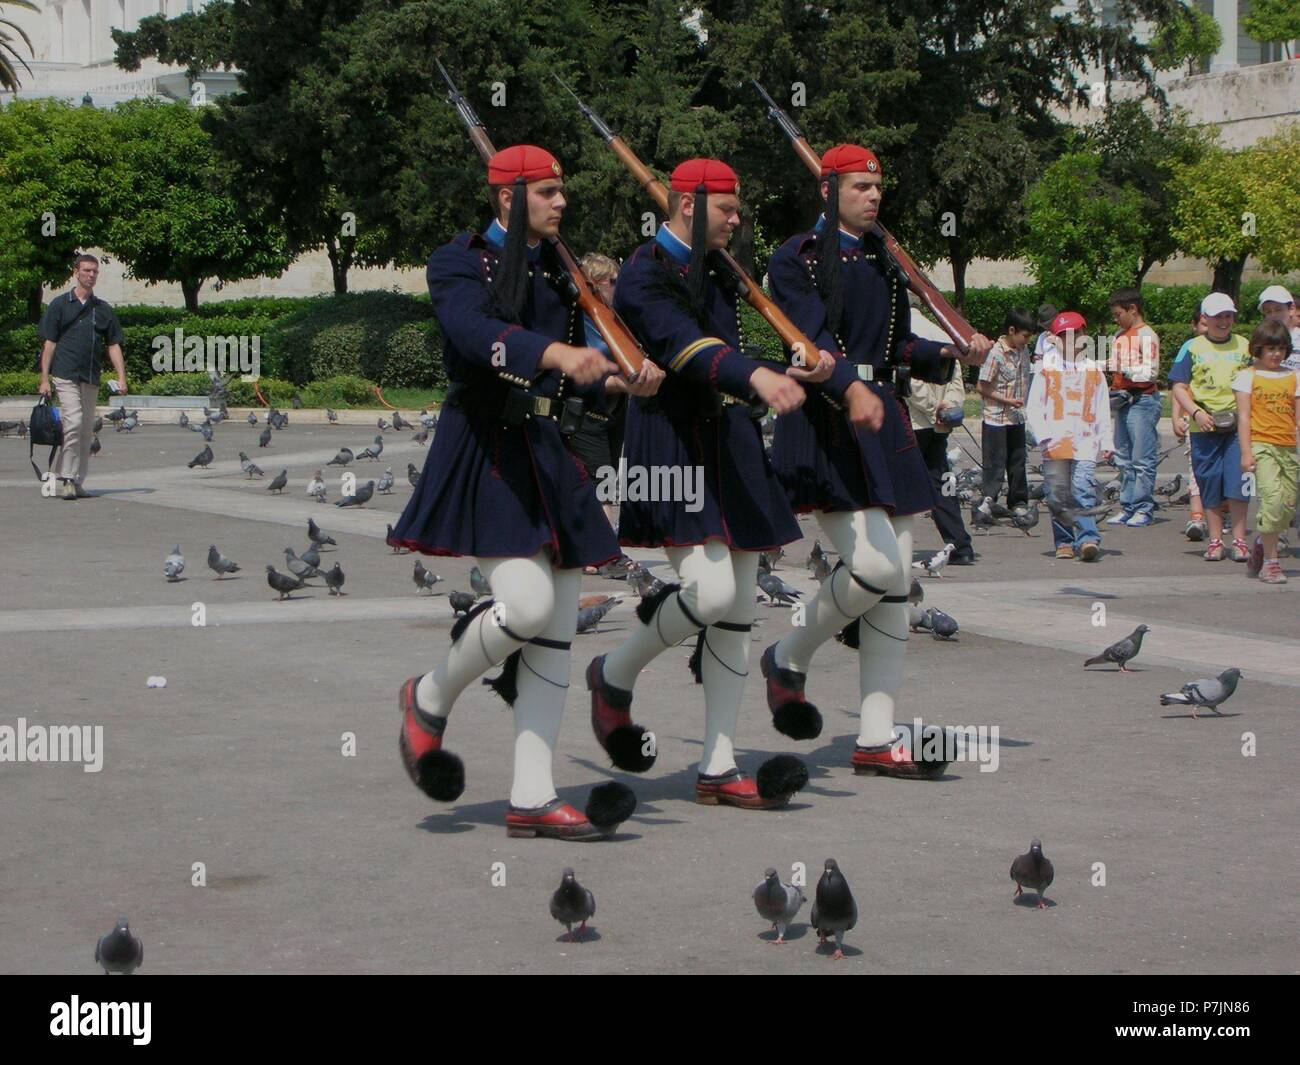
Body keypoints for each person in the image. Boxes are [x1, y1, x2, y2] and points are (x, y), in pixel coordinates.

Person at [388, 144, 660, 841]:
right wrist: (555, 354)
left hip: (548, 449)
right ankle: (428, 695)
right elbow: (475, 336)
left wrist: (615, 376)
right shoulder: (458, 261)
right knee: (528, 603)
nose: (561, 202)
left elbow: (572, 370)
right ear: (508, 197)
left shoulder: (559, 268)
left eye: (561, 191)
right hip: (485, 445)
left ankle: (533, 796)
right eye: (546, 192)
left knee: (558, 627)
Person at [587, 157, 826, 808]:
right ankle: (613, 671)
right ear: (688, 205)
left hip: (730, 442)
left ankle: (718, 765)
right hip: (668, 443)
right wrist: (754, 376)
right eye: (727, 207)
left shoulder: (721, 266)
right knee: (711, 590)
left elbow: (730, 344)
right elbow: (685, 345)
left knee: (739, 608)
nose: (738, 217)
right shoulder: (641, 272)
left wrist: (793, 362)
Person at [763, 143, 992, 778]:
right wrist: (851, 387)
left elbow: (895, 344)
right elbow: (813, 340)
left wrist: (954, 352)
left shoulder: (882, 259)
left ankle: (876, 735)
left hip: (881, 414)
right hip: (828, 416)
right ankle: (787, 652)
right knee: (870, 566)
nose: (873, 196)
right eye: (861, 186)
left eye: (878, 187)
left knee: (895, 581)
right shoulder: (796, 259)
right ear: (827, 190)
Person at [565, 251, 640, 571]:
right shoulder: (576, 324)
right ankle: (606, 552)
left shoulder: (614, 320)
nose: (618, 288)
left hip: (613, 411)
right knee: (601, 480)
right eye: (612, 282)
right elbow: (578, 377)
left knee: (600, 481)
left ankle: (590, 551)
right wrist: (621, 384)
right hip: (586, 412)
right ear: (594, 285)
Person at [1168, 292, 1253, 562]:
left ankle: (1239, 540)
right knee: (1210, 482)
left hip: (1237, 425)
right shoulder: (1192, 347)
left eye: (1228, 316)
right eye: (1218, 316)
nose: (1224, 321)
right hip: (1204, 425)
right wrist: (1195, 412)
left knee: (1238, 482)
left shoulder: (1244, 345)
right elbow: (1179, 386)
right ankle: (1215, 540)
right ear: (1205, 318)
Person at [36, 254, 127, 499]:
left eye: (95, 271)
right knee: (73, 423)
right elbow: (50, 343)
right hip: (65, 374)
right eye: (86, 270)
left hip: (90, 376)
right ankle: (65, 477)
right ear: (76, 272)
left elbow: (113, 344)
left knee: (87, 431)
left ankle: (77, 481)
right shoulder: (60, 304)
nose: (91, 275)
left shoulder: (103, 309)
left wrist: (121, 376)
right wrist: (44, 379)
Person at [1026, 311, 1113, 562]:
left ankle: (1087, 538)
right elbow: (1034, 407)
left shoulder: (1094, 370)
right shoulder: (1046, 370)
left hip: (1086, 441)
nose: (1072, 340)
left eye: (1077, 334)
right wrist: (1042, 436)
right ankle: (1064, 541)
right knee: (1057, 493)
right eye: (1065, 336)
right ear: (1055, 339)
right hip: (1054, 442)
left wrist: (1106, 440)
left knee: (1083, 489)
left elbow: (1102, 408)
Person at [1234, 320, 1300, 584]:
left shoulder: (1293, 376)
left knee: (1287, 507)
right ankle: (1271, 564)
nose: (1276, 354)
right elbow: (1244, 417)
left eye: (1282, 349)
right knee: (1271, 501)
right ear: (1258, 349)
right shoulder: (1247, 376)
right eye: (1271, 348)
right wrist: (1246, 452)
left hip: (1288, 447)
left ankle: (1263, 541)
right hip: (1263, 445)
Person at [906, 315, 976, 564]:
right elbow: (955, 375)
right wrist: (949, 406)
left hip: (914, 422)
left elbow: (910, 381)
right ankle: (960, 544)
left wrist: (933, 408)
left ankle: (888, 546)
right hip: (939, 423)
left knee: (894, 485)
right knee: (943, 483)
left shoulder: (904, 330)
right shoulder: (941, 330)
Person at [1104, 287, 1161, 528]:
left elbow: (1151, 371)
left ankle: (1143, 507)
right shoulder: (1119, 335)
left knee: (1141, 458)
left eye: (1118, 314)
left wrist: (1122, 367)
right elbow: (1114, 364)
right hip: (1123, 398)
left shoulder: (1147, 336)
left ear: (1133, 309)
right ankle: (1127, 506)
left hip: (1142, 400)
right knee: (1123, 457)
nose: (1115, 319)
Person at [977, 308, 1035, 511]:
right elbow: (982, 387)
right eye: (1024, 336)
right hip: (996, 418)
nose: (1026, 341)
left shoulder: (1023, 351)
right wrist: (1007, 400)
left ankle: (1018, 502)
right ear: (1012, 330)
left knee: (1018, 461)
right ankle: (988, 501)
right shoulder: (996, 353)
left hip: (1016, 417)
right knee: (995, 463)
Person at [1257, 284, 1300, 370]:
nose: (1274, 315)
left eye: (1278, 310)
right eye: (1268, 312)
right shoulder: (1260, 340)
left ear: (1291, 309)